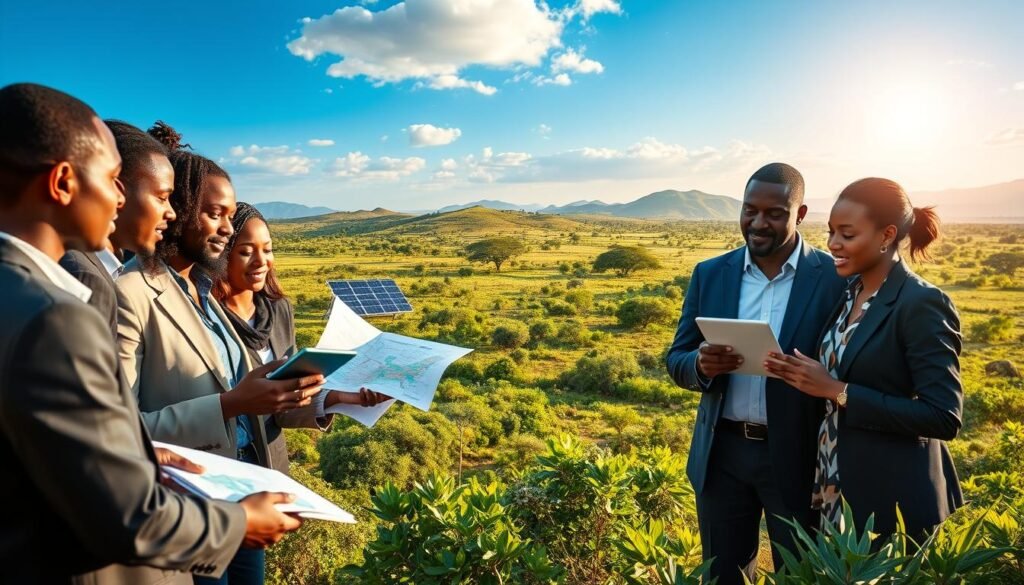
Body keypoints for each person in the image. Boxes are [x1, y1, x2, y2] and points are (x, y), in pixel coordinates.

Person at [0, 82, 301, 584]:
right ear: (62, 183)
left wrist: (133, 449)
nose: (121, 198)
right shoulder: (57, 314)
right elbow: (124, 515)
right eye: (114, 179)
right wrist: (241, 521)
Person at [115, 123, 329, 585]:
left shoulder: (203, 291)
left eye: (230, 216)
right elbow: (121, 431)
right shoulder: (129, 294)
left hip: (242, 484)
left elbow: (241, 390)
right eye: (215, 214)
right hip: (186, 501)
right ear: (181, 210)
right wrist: (232, 403)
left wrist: (287, 387)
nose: (227, 229)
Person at [665, 163, 847, 584]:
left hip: (800, 457)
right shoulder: (710, 273)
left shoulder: (834, 280)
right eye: (750, 210)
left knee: (802, 573)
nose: (758, 223)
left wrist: (819, 377)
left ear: (800, 214)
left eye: (775, 213)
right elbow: (677, 358)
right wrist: (699, 365)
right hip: (721, 455)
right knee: (721, 575)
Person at [764, 177, 963, 539]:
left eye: (847, 234)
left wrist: (838, 390)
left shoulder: (920, 303)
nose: (833, 245)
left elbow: (943, 417)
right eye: (830, 232)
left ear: (887, 235)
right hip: (832, 485)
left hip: (890, 500)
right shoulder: (849, 291)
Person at [213, 202, 389, 475]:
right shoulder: (207, 317)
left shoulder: (278, 309)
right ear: (220, 256)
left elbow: (284, 406)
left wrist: (345, 397)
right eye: (246, 252)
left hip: (271, 467)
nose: (261, 261)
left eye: (268, 249)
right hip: (221, 467)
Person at [59, 119, 176, 338]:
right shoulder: (84, 277)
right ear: (115, 189)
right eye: (162, 197)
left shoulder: (104, 267)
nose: (171, 212)